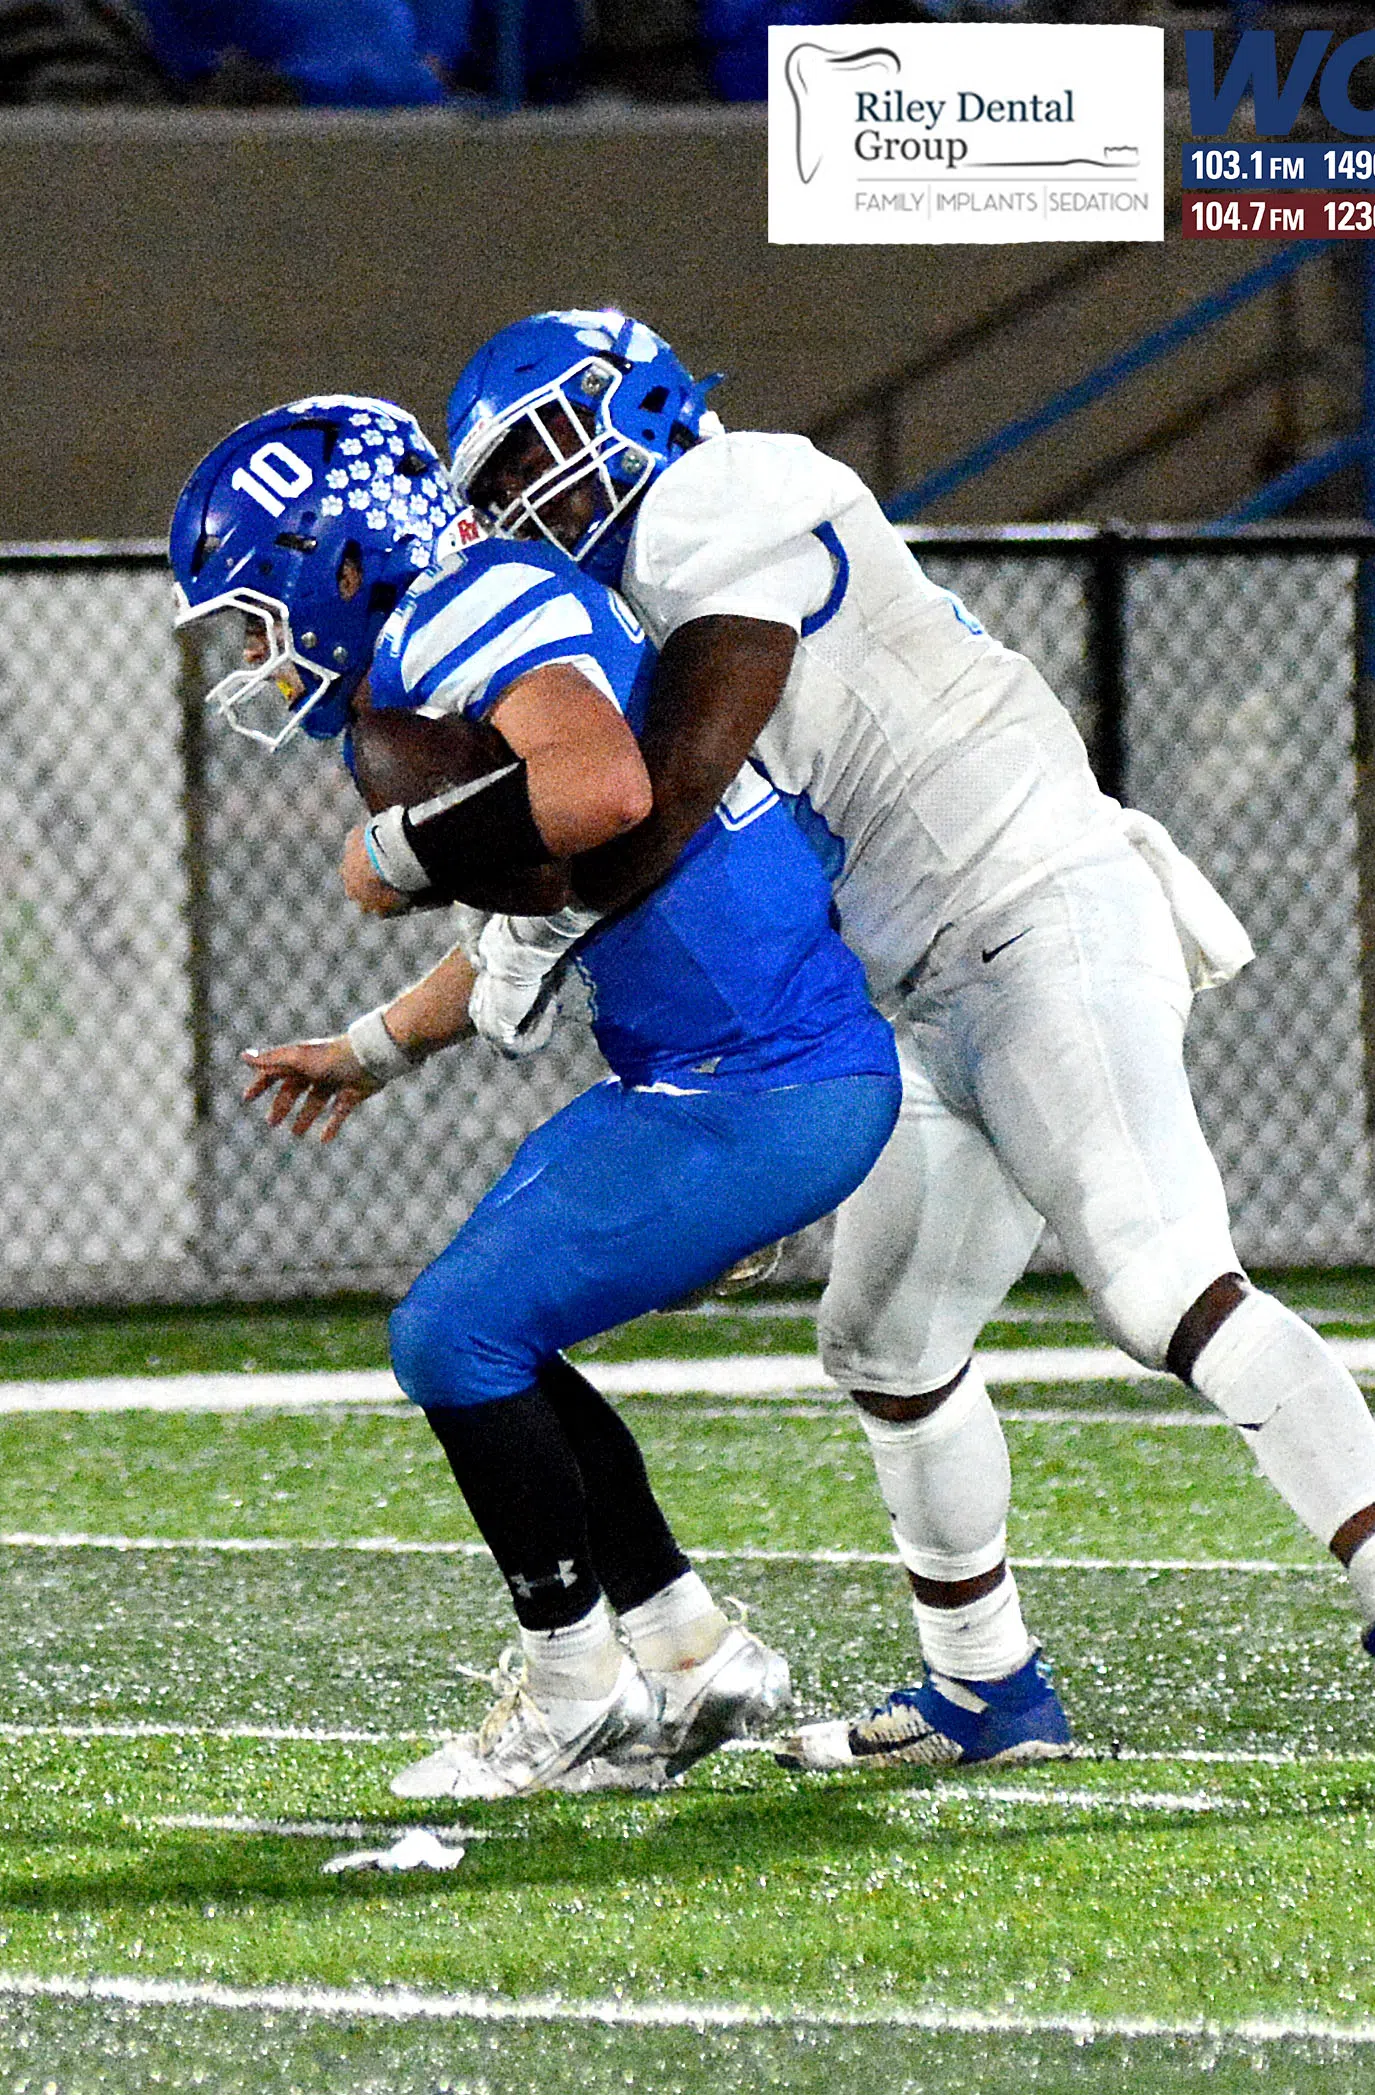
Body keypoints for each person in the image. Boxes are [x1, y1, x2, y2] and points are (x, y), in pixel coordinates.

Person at [427, 307, 1375, 1798]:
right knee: (886, 1341)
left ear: (631, 409)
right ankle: (986, 1683)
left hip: (1035, 913)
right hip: (931, 980)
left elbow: (673, 800)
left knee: (1157, 1279)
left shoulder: (725, 492)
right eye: (503, 488)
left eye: (542, 457)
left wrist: (477, 873)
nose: (531, 504)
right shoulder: (633, 614)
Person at [169, 392, 901, 1799]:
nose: (258, 660)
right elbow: (552, 905)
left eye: (257, 621)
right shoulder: (479, 612)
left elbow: (602, 792)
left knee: (453, 1335)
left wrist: (399, 847)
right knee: (497, 1338)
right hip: (719, 1076)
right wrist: (371, 1046)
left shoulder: (464, 605)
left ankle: (573, 1691)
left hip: (760, 1084)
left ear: (337, 561)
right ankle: (688, 1650)